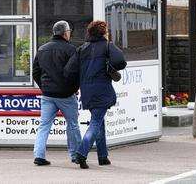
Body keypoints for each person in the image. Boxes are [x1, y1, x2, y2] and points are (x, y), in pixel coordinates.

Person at [64, 20, 126, 169]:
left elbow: (69, 71)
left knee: (99, 121)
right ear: (103, 33)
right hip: (102, 91)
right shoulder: (107, 46)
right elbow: (121, 62)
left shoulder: (82, 49)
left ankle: (103, 156)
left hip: (87, 91)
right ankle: (82, 152)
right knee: (96, 123)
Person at [32, 20, 82, 166]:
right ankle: (76, 155)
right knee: (72, 124)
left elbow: (36, 72)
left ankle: (39, 155)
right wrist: (73, 88)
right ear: (65, 33)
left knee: (44, 125)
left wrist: (44, 87)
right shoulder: (71, 50)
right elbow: (75, 72)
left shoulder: (42, 49)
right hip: (66, 95)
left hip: (48, 95)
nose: (69, 34)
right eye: (69, 32)